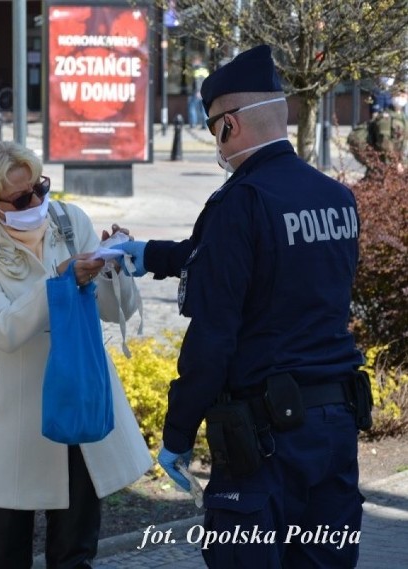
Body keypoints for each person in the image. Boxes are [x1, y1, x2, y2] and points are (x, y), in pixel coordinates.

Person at [114, 45, 366, 567]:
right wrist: (144, 255)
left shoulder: (242, 201)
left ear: (230, 126)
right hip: (334, 428)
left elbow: (213, 336)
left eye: (211, 129)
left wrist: (178, 433)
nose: (215, 142)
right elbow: (253, 264)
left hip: (265, 439)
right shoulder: (335, 199)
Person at [0, 140, 152, 568]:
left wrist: (113, 266)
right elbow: (2, 328)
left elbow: (117, 311)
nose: (37, 201)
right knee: (5, 551)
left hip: (77, 397)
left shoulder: (68, 219)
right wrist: (59, 282)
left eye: (40, 187)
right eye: (22, 197)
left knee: (75, 551)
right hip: (18, 415)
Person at [187, 56, 210, 129]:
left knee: (192, 107)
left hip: (197, 92)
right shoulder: (205, 70)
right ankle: (205, 125)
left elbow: (197, 82)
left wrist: (197, 91)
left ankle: (193, 124)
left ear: (198, 61)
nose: (192, 63)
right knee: (203, 109)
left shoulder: (196, 70)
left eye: (194, 61)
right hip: (204, 92)